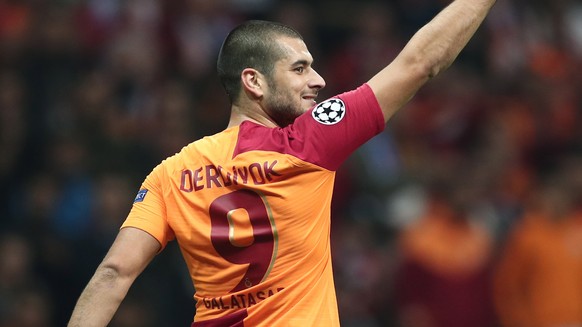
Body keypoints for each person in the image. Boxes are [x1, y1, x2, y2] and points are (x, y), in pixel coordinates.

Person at [68, 0, 497, 326]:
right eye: (300, 68)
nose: (319, 80)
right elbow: (421, 62)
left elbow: (114, 272)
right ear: (253, 81)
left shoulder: (171, 173)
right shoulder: (309, 141)